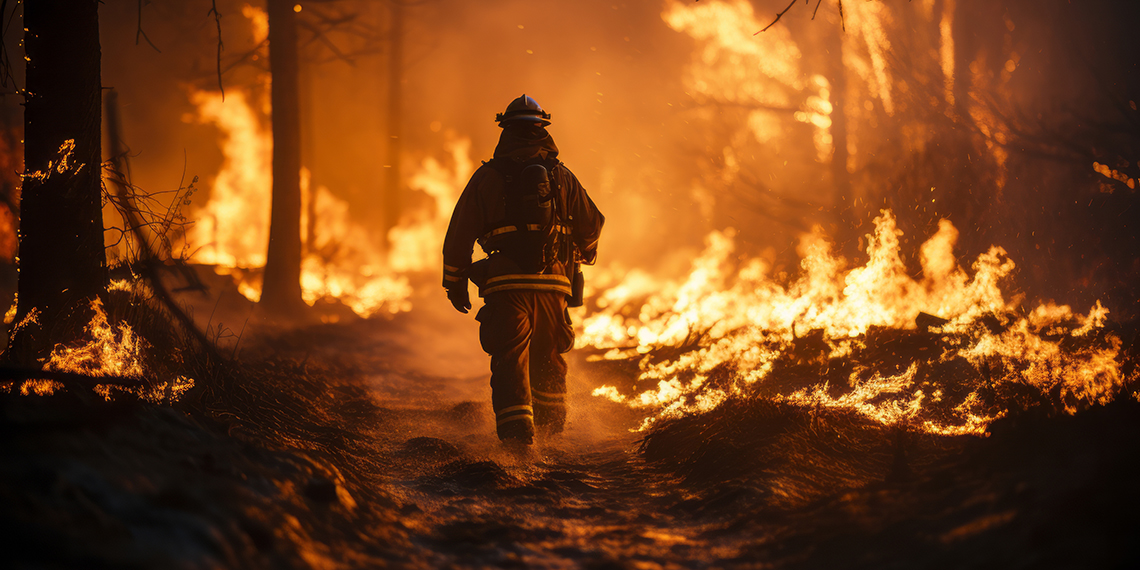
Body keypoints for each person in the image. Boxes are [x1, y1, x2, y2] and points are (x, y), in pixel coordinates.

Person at [442, 95, 605, 445]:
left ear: (505, 131)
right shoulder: (563, 177)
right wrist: (581, 255)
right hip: (554, 286)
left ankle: (518, 443)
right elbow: (592, 224)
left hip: (505, 286)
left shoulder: (487, 177)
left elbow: (460, 233)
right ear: (542, 130)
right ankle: (552, 436)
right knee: (548, 357)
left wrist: (454, 282)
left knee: (510, 358)